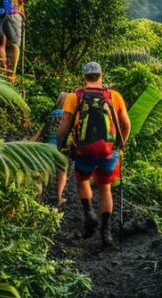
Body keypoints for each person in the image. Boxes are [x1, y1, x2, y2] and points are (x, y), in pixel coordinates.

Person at [56, 63, 130, 248]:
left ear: (85, 77)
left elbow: (65, 124)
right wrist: (120, 144)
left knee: (82, 181)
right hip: (108, 151)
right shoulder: (114, 96)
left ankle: (89, 214)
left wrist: (60, 145)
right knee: (105, 188)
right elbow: (126, 124)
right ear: (100, 75)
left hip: (83, 151)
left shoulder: (75, 97)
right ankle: (106, 234)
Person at [31, 91, 70, 207]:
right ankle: (59, 197)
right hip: (60, 147)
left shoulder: (53, 113)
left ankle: (38, 196)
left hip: (47, 146)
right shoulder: (68, 115)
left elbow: (43, 131)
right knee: (62, 171)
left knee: (43, 170)